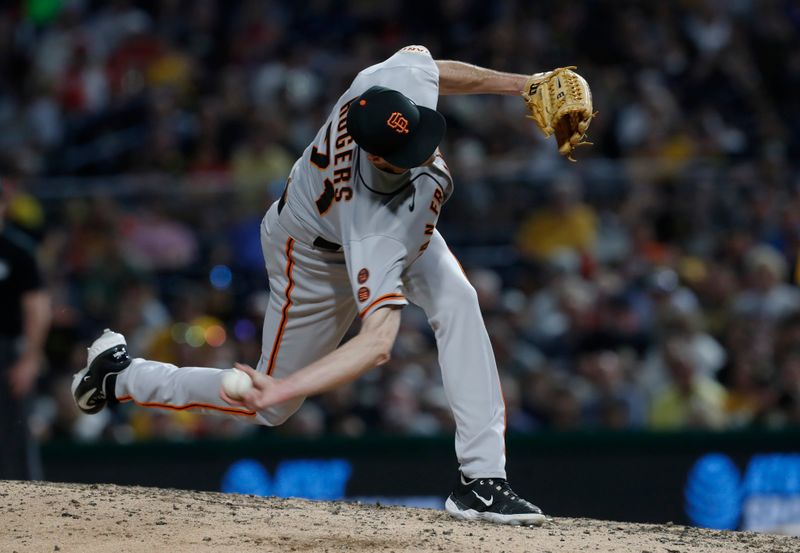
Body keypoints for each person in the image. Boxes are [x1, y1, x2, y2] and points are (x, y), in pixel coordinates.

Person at [73, 45, 558, 525]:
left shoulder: (383, 89)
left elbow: (433, 69)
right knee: (273, 409)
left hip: (378, 229)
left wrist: (526, 84)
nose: (422, 151)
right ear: (379, 160)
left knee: (458, 300)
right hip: (312, 257)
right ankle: (119, 375)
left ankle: (482, 480)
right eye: (406, 154)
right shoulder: (373, 223)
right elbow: (378, 343)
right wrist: (284, 387)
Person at [0, 181, 51, 479]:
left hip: (8, 350)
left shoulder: (18, 251)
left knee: (14, 432)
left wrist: (30, 358)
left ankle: (24, 509)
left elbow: (38, 308)